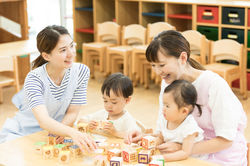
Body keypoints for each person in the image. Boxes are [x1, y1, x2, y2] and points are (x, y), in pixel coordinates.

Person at [126, 30, 247, 165]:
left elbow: (226, 140)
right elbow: (165, 127)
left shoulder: (214, 85)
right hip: (187, 150)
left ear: (183, 58)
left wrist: (182, 148)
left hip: (221, 156)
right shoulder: (167, 83)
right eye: (153, 65)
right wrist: (146, 137)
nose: (157, 72)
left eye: (161, 65)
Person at [0, 25, 96, 152]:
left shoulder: (81, 71)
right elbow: (44, 121)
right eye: (63, 50)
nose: (71, 53)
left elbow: (72, 112)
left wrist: (63, 132)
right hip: (23, 134)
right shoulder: (34, 78)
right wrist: (72, 132)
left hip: (56, 132)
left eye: (72, 46)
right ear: (46, 56)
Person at [152, 79, 206, 161]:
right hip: (173, 157)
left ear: (184, 111)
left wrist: (162, 158)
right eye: (163, 104)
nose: (163, 109)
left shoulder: (189, 127)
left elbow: (185, 153)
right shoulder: (165, 119)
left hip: (192, 161)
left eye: (167, 106)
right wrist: (151, 146)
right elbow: (160, 138)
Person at [78, 72, 142, 138]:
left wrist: (116, 133)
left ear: (127, 100)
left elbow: (135, 136)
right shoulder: (103, 113)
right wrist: (87, 125)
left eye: (114, 102)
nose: (108, 106)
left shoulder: (127, 120)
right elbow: (80, 120)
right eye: (105, 101)